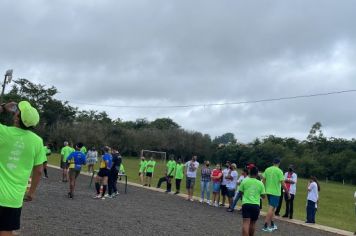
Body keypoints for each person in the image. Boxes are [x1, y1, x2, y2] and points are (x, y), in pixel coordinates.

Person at [0, 101, 46, 234]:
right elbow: (38, 170)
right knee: (6, 230)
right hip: (13, 198)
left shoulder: (4, 132)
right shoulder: (37, 141)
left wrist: (3, 108)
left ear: (16, 118)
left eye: (17, 112)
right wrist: (31, 192)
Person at [262, 158, 290, 232]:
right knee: (271, 208)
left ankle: (272, 224)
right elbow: (283, 184)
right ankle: (265, 225)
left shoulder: (267, 169)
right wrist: (287, 192)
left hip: (268, 191)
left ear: (273, 162)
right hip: (275, 192)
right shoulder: (279, 171)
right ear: (279, 163)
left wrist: (262, 190)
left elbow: (263, 180)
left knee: (273, 209)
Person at [239, 166, 266, 236]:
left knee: (246, 223)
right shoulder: (260, 183)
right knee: (253, 223)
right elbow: (263, 196)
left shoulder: (244, 181)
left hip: (246, 204)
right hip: (256, 205)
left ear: (249, 173)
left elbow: (240, 192)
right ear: (257, 174)